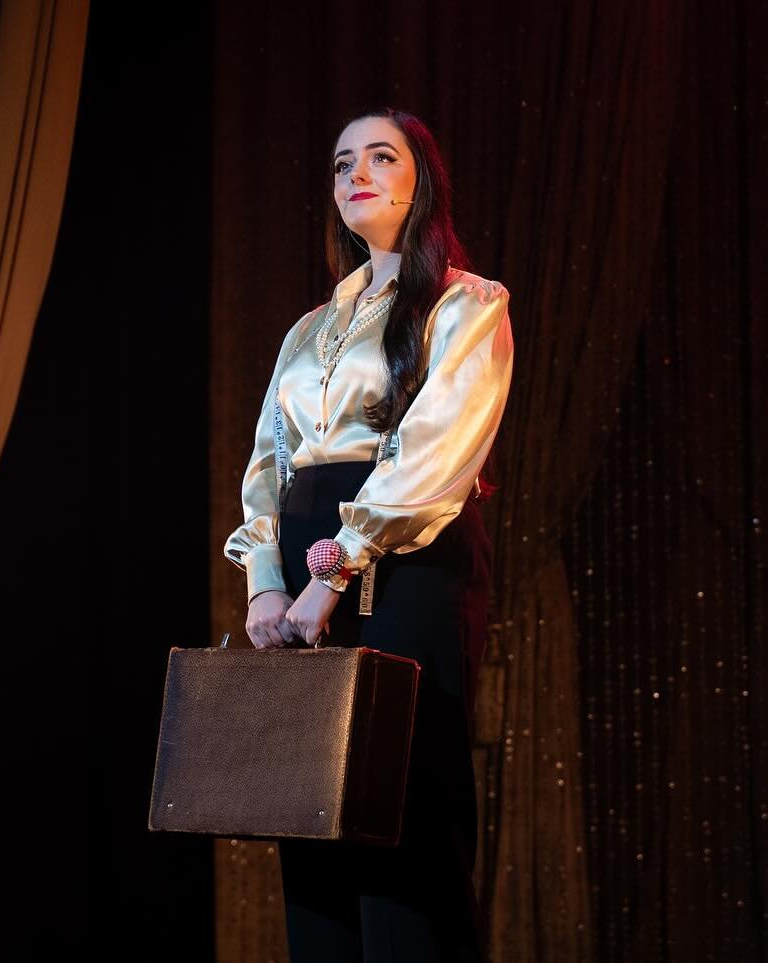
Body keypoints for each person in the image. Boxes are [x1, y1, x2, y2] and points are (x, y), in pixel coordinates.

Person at [222, 106, 515, 962]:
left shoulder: (468, 304)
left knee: (402, 814)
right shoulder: (308, 330)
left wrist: (335, 570)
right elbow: (267, 462)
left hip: (408, 559)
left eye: (381, 157)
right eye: (343, 160)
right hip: (308, 557)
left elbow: (434, 454)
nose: (357, 172)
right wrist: (267, 582)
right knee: (309, 810)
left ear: (421, 179)